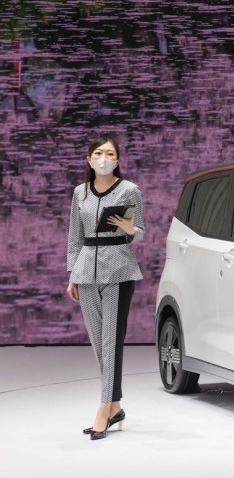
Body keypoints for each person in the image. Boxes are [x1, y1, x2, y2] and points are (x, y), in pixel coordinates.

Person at [65, 136, 144, 440]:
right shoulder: (80, 193)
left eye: (110, 153)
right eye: (98, 153)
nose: (103, 158)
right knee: (99, 342)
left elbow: (142, 230)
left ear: (118, 160)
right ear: (88, 159)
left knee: (111, 341)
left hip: (118, 270)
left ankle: (103, 407)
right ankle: (116, 406)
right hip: (86, 271)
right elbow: (74, 236)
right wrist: (72, 273)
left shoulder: (130, 190)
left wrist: (130, 230)